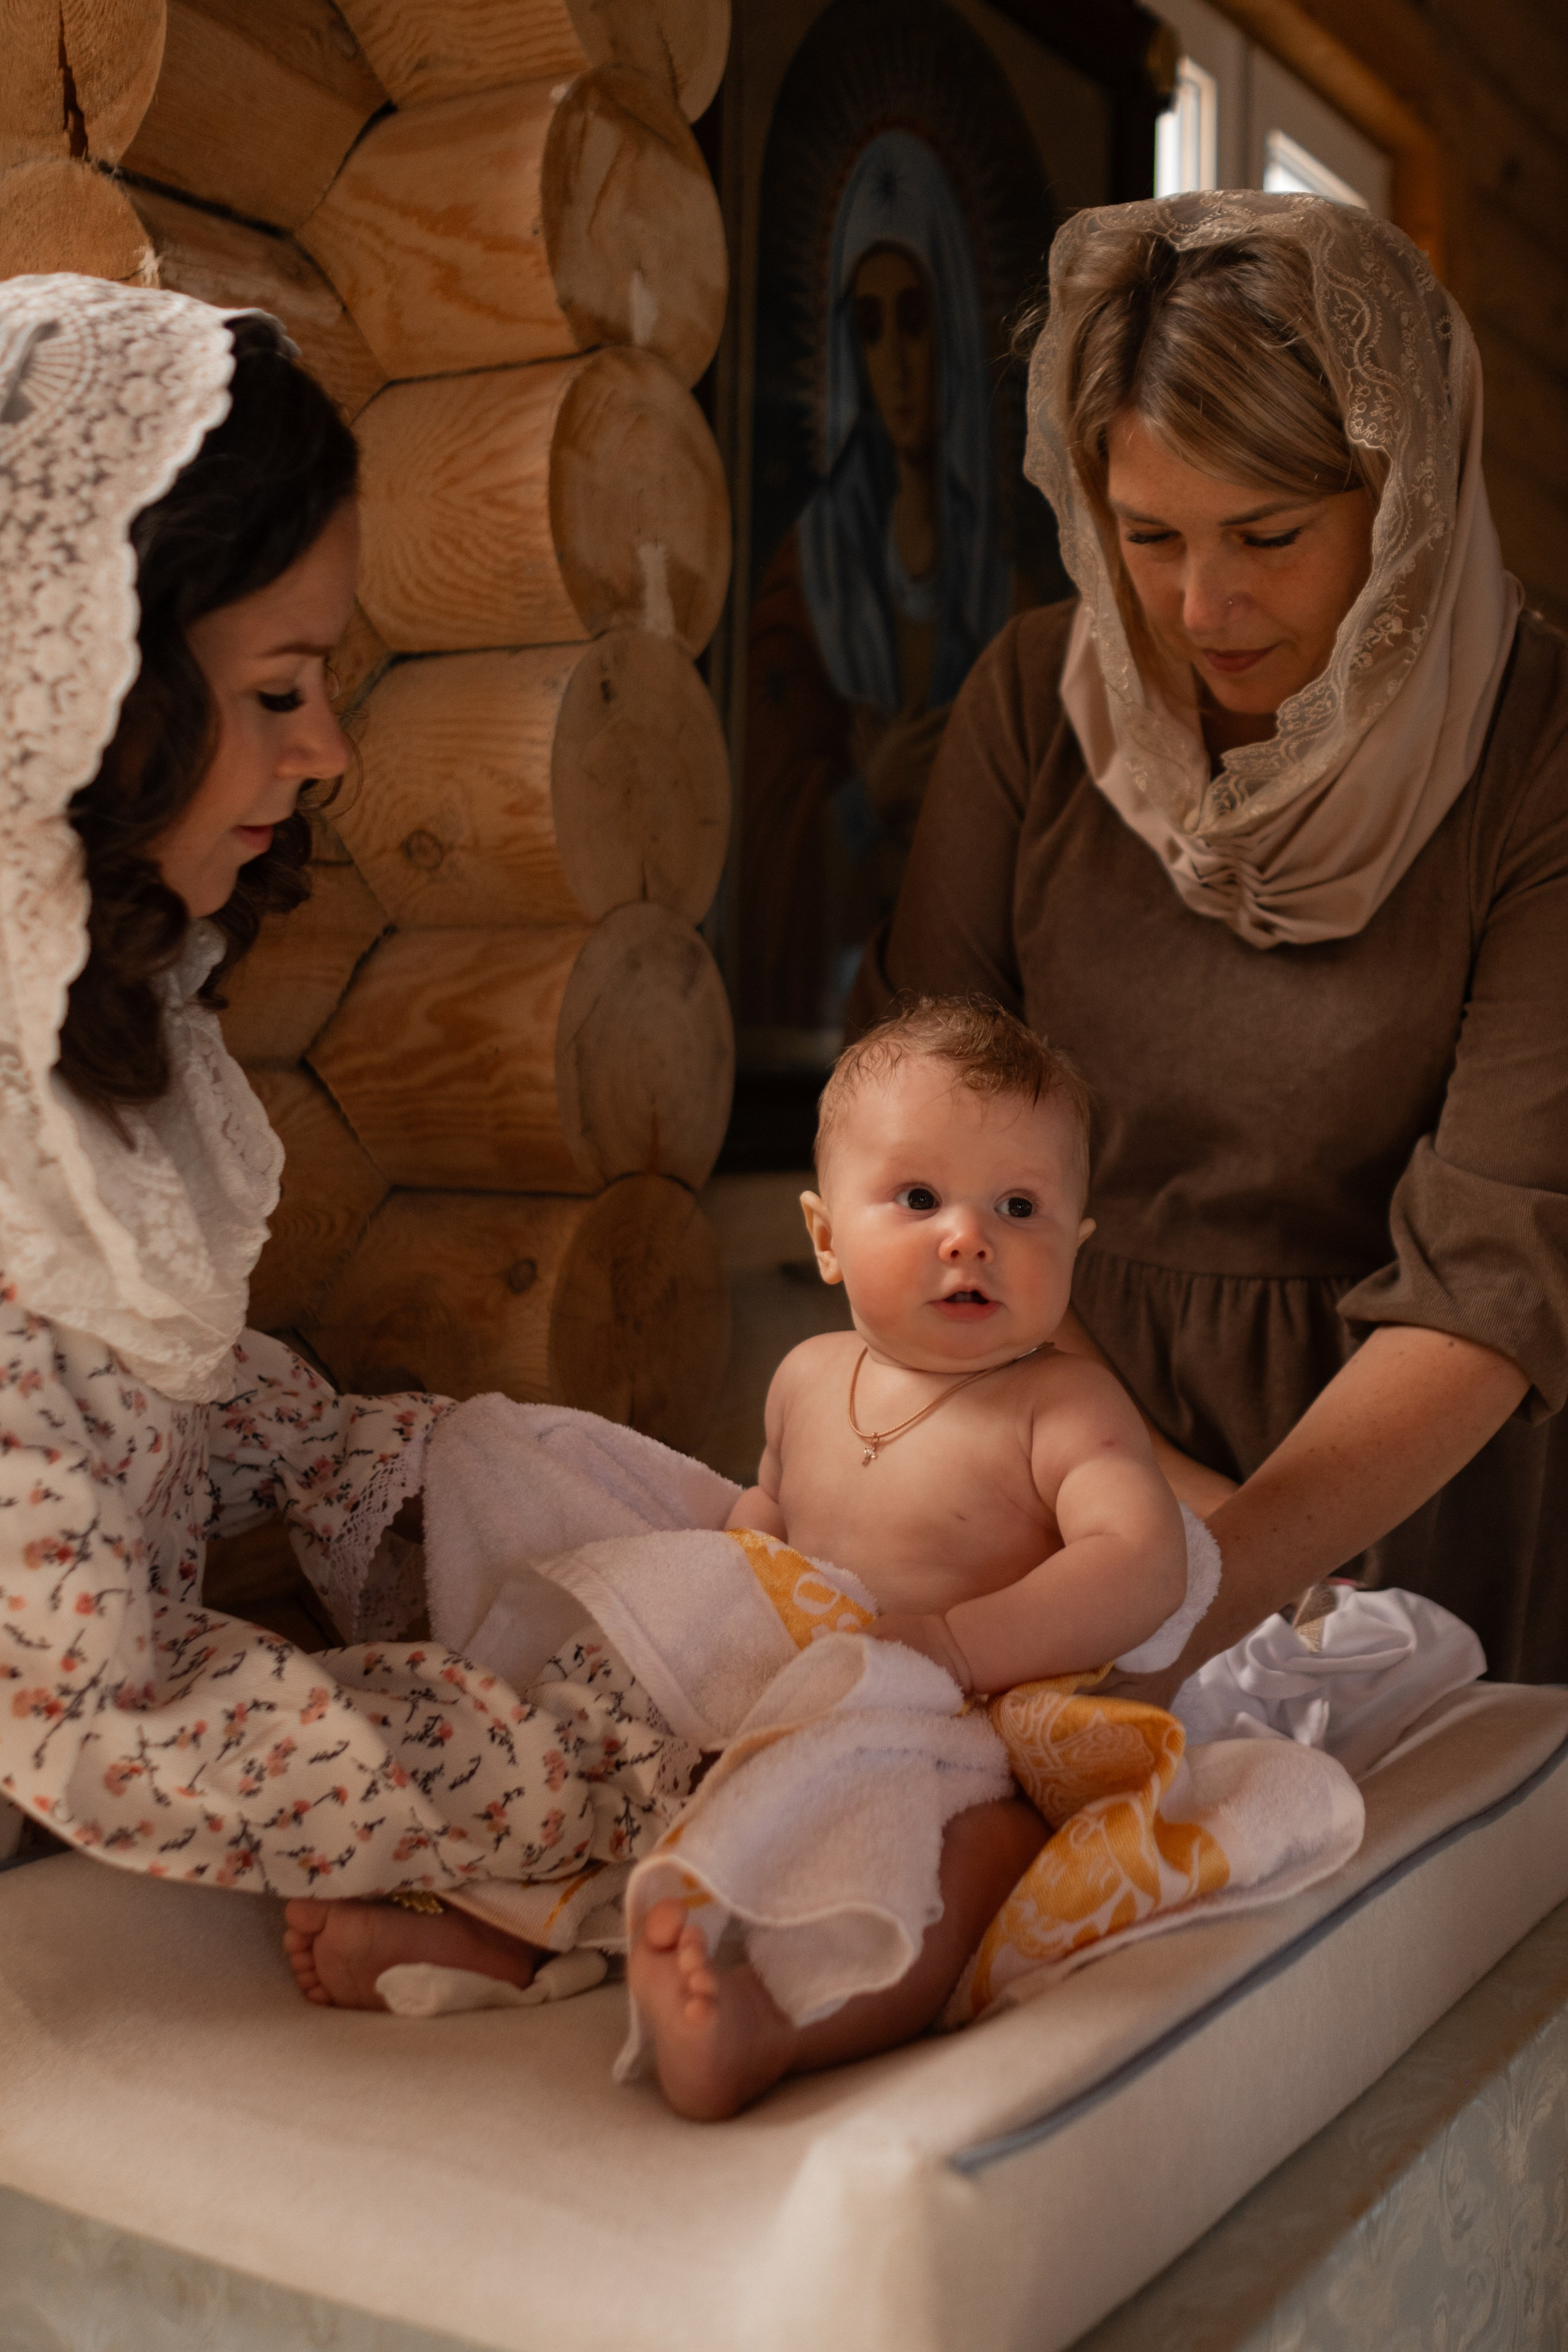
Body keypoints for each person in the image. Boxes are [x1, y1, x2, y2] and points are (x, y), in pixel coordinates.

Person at [0, 274, 696, 1918]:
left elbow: (143, 1394)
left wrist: (430, 1473)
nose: (323, 749)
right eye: (274, 691)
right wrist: (583, 1769)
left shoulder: (86, 1044)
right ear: (89, 698)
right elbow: (106, 1712)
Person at [848, 189, 1568, 1694]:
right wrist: (1125, 1511)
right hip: (1035, 1440)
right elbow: (909, 1148)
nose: (1200, 605)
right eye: (1145, 536)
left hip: (1402, 1503)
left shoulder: (1537, 753)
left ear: (1404, 497)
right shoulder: (1033, 703)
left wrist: (1217, 1581)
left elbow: (1493, 1272)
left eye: (1268, 534)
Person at [740, 128, 1013, 1030]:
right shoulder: (802, 580)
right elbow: (763, 834)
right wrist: (864, 804)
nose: (897, 363)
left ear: (958, 330)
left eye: (917, 319)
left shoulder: (1013, 594)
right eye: (869, 325)